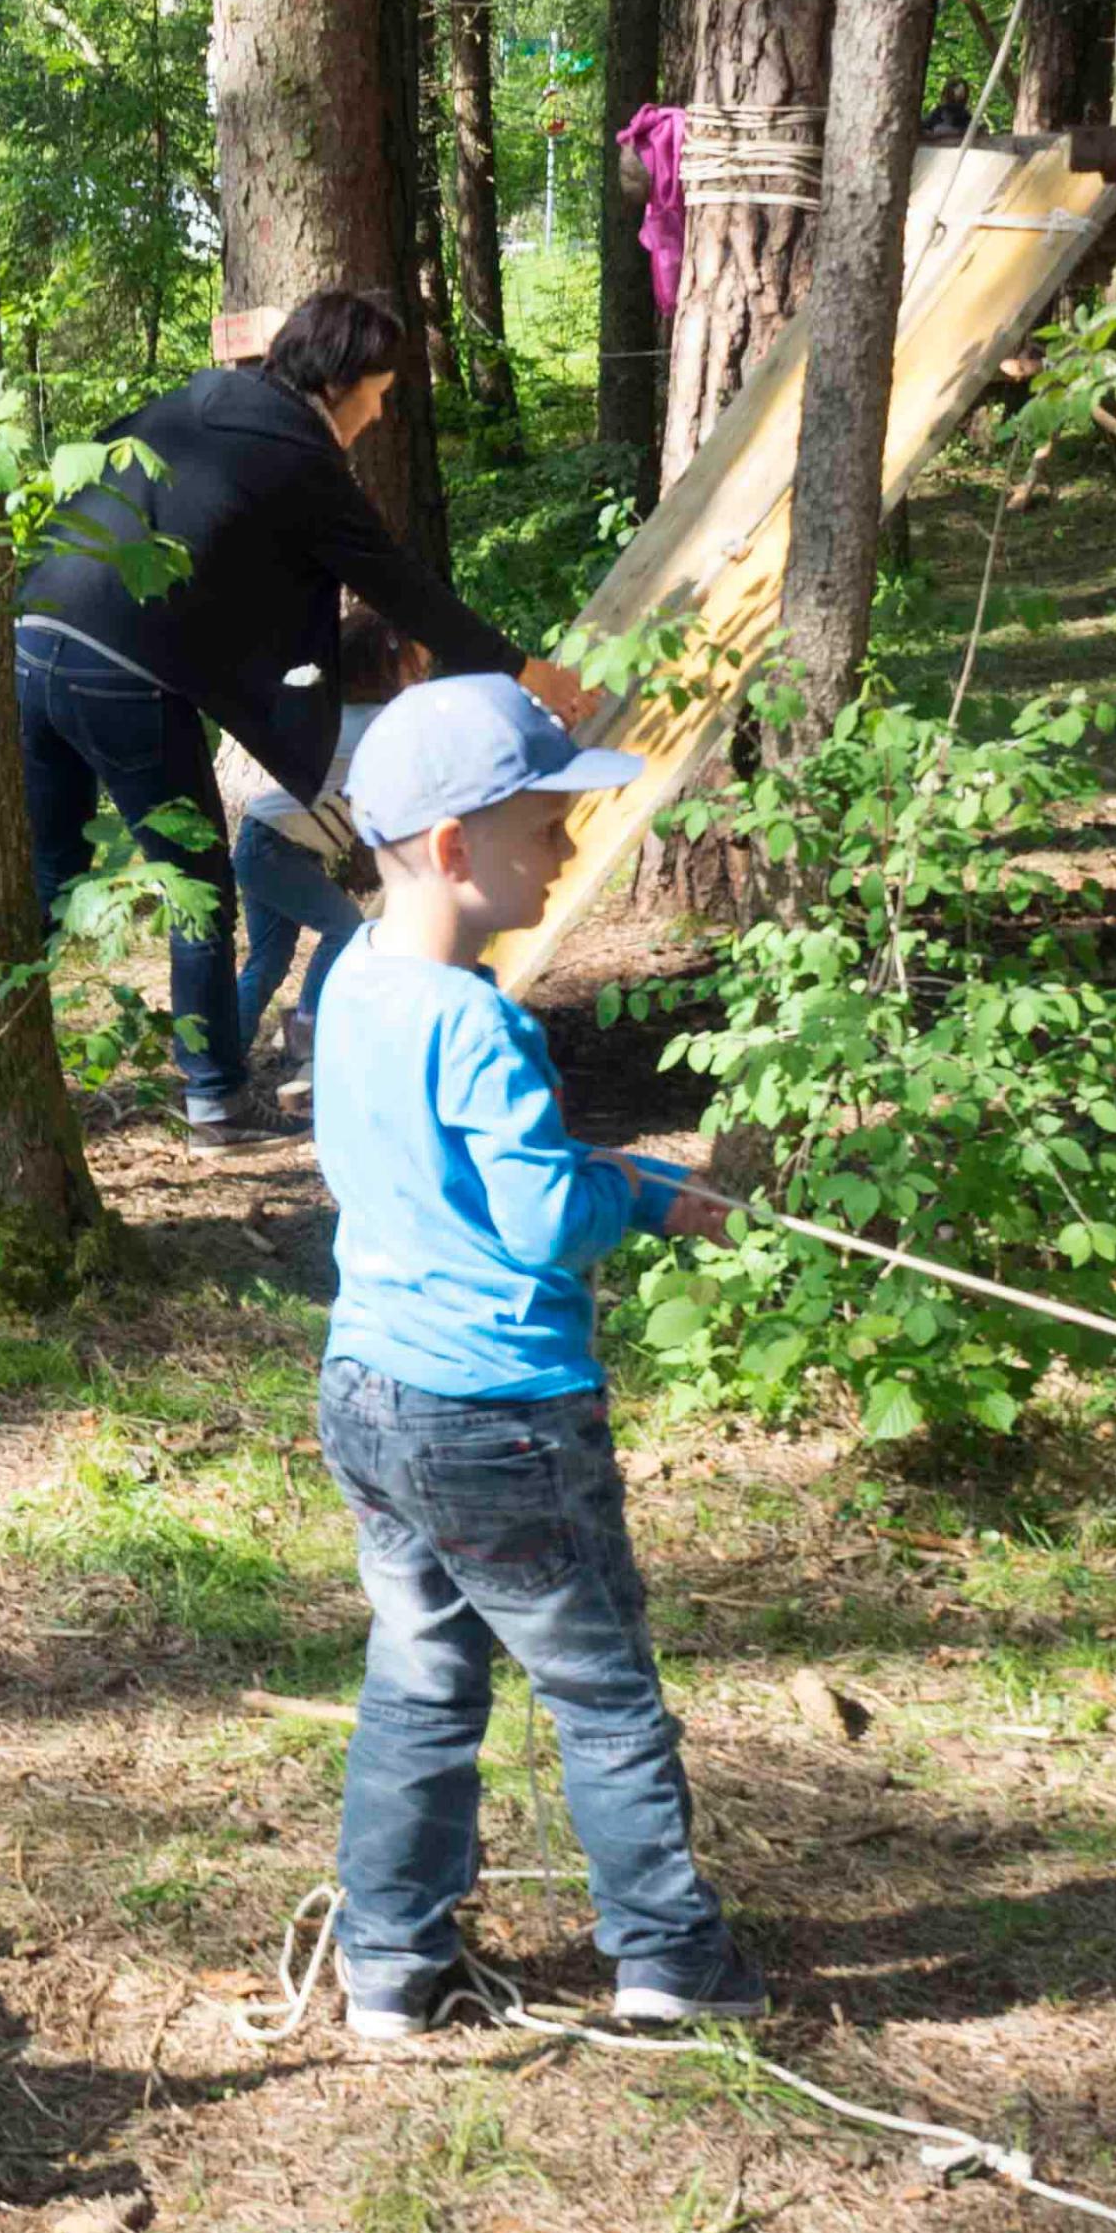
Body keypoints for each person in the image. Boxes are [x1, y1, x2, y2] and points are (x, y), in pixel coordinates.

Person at [312, 675, 765, 2039]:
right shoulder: (478, 1020)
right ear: (455, 846)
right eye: (545, 827)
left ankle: (388, 1959)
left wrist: (623, 1177)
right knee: (602, 1691)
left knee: (421, 1676)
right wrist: (634, 1190)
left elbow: (454, 1169)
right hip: (498, 1416)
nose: (569, 850)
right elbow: (543, 1221)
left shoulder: (352, 984)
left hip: (370, 1394)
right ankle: (669, 1956)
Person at [13, 288, 592, 1148]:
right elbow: (400, 587)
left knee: (47, 876)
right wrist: (527, 669)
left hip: (32, 634)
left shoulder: (204, 396)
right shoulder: (299, 455)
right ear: (344, 381)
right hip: (125, 670)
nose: (380, 414)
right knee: (199, 890)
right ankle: (215, 1101)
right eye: (380, 394)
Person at [224, 601, 414, 1106]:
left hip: (265, 841)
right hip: (274, 847)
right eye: (407, 661)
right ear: (383, 666)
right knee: (346, 929)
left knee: (268, 960)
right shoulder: (379, 722)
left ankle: (222, 1066)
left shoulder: (342, 717)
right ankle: (309, 1036)